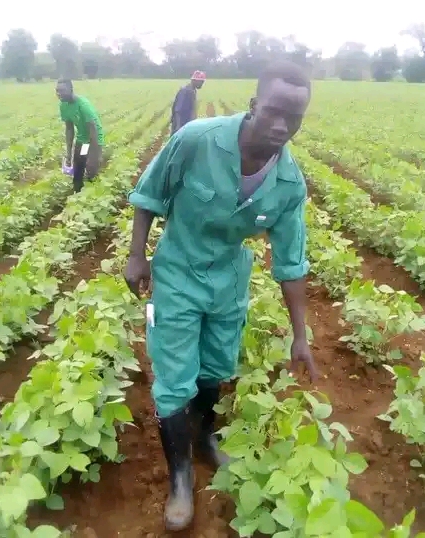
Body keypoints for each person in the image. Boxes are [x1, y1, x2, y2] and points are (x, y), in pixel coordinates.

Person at [124, 60, 317, 532]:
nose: (280, 126)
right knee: (174, 377)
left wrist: (301, 335)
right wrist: (136, 255)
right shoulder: (197, 139)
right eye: (272, 112)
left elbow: (291, 262)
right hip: (177, 276)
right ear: (253, 105)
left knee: (215, 368)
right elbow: (151, 194)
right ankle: (181, 477)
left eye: (292, 118)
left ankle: (205, 439)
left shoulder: (289, 183)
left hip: (229, 282)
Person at [56, 79, 105, 193]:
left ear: (71, 90)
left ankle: (93, 195)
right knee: (78, 168)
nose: (59, 94)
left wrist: (93, 156)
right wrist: (69, 153)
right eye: (57, 91)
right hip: (83, 142)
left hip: (94, 139)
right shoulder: (63, 105)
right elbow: (69, 128)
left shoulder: (83, 105)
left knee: (91, 170)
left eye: (62, 90)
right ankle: (77, 194)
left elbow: (93, 130)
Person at [170, 70, 206, 134]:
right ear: (194, 81)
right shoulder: (186, 91)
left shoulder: (192, 91)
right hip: (180, 125)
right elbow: (178, 110)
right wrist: (178, 127)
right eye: (201, 82)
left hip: (187, 125)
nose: (202, 84)